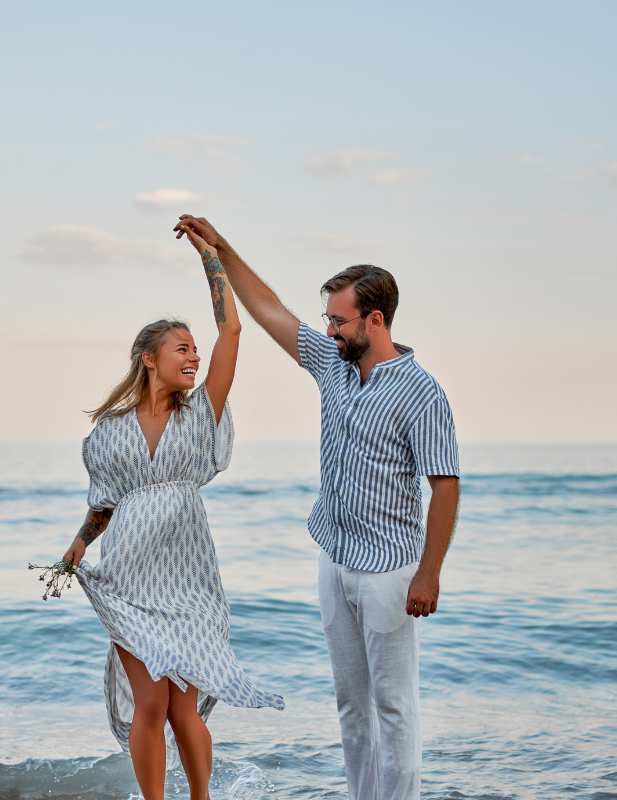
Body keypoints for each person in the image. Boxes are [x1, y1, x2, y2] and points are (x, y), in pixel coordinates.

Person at [172, 215, 460, 800]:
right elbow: (270, 309)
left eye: (338, 319)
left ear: (374, 320)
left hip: (389, 571)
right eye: (327, 318)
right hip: (335, 561)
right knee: (352, 706)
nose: (327, 329)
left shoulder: (422, 391)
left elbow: (445, 484)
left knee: (394, 708)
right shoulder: (333, 365)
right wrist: (222, 248)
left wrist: (429, 572)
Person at [60, 228, 284, 800]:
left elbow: (231, 330)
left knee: (187, 708)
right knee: (152, 703)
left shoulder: (200, 413)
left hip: (190, 577)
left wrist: (211, 258)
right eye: (181, 348)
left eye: (193, 348)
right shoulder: (109, 432)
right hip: (130, 577)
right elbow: (104, 502)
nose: (194, 355)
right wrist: (80, 543)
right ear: (149, 359)